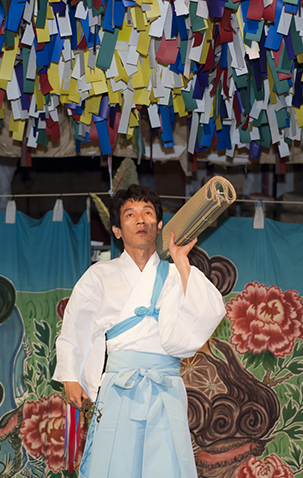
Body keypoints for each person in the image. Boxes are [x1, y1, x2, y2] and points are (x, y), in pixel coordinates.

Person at [53, 184, 225, 478]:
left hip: (165, 384)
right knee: (115, 465)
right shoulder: (100, 274)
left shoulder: (176, 273)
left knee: (167, 465)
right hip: (119, 384)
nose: (140, 219)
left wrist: (182, 261)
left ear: (159, 225)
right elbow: (75, 324)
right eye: (130, 214)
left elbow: (209, 312)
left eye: (147, 213)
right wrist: (71, 376)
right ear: (117, 230)